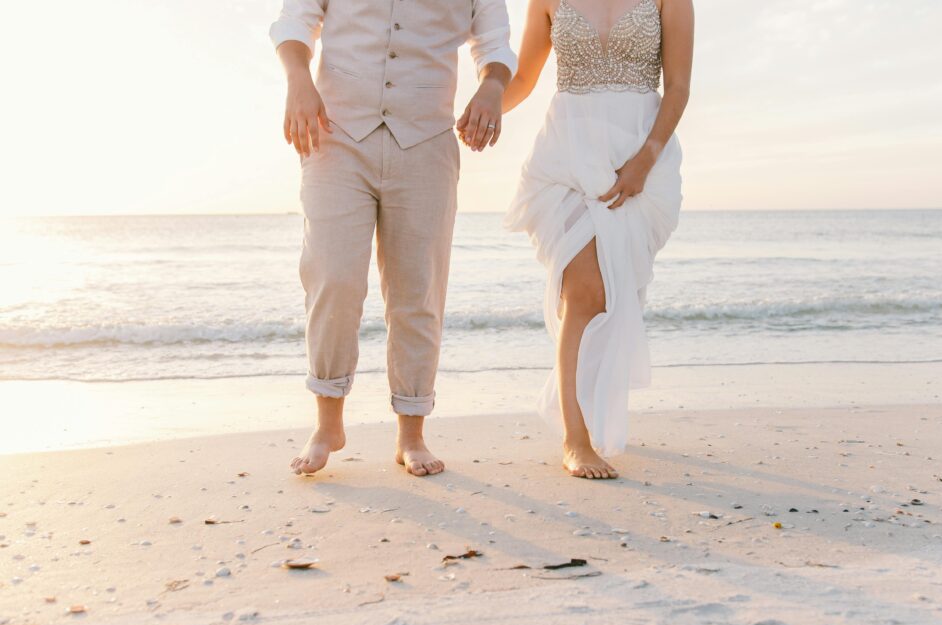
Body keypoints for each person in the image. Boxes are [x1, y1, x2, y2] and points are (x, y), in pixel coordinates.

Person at [270, 1, 516, 476]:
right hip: (334, 133)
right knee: (332, 276)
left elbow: (495, 43)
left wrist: (491, 85)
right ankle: (328, 424)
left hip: (426, 140)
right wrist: (298, 80)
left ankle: (411, 434)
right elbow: (296, 18)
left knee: (417, 291)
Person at [500, 0, 694, 479]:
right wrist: (481, 106)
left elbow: (679, 87)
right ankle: (576, 437)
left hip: (639, 154)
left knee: (610, 297)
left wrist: (643, 163)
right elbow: (523, 79)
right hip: (567, 156)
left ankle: (590, 402)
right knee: (582, 290)